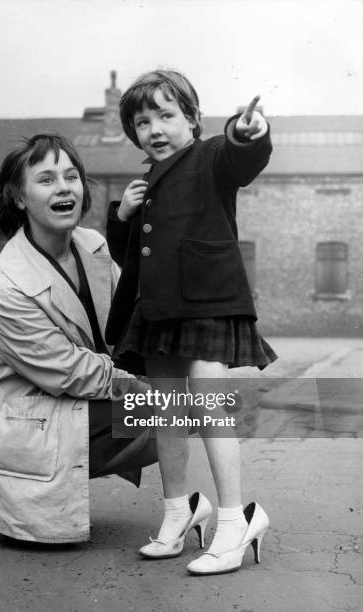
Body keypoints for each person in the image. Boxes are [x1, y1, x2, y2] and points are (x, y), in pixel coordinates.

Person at [105, 69, 277, 575]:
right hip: (158, 310)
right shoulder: (143, 184)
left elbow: (241, 159)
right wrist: (122, 218)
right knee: (164, 415)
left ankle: (232, 522)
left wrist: (249, 135)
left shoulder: (211, 158)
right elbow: (133, 258)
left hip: (207, 302)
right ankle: (178, 513)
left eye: (166, 115)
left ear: (194, 120)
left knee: (206, 408)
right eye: (142, 121)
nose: (154, 129)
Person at [0, 133, 158, 544]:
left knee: (193, 399)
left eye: (71, 176)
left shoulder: (92, 244)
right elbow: (70, 371)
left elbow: (127, 322)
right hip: (15, 423)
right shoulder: (7, 287)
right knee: (179, 410)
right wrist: (153, 391)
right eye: (46, 179)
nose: (64, 187)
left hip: (58, 402)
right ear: (18, 198)